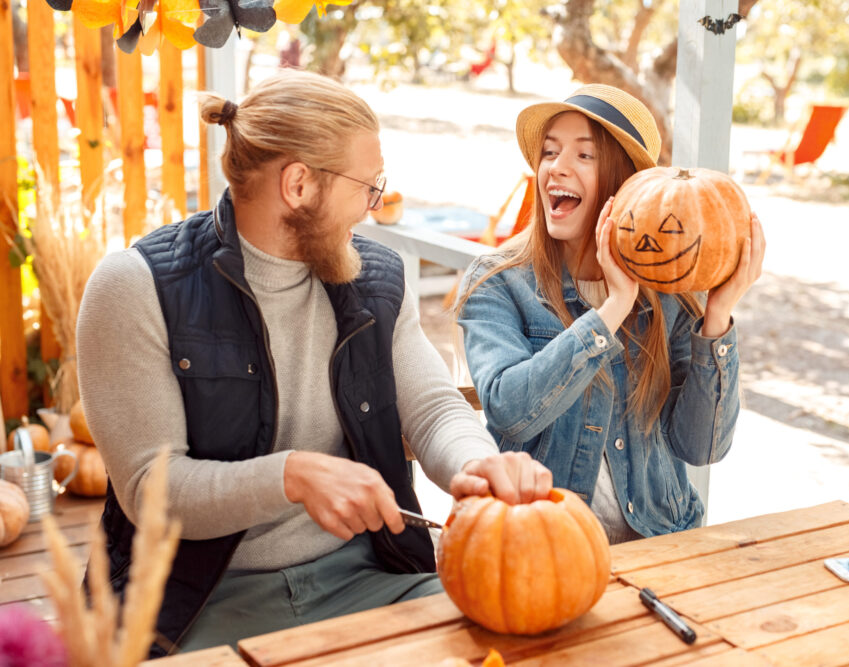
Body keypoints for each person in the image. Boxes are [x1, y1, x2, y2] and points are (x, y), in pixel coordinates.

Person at [76, 70, 552, 657]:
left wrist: (476, 466)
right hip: (194, 604)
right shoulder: (135, 287)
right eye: (367, 187)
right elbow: (154, 490)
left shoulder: (375, 276)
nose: (373, 209)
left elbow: (430, 407)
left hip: (369, 578)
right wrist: (291, 477)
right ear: (299, 184)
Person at [457, 84, 765, 544]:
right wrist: (613, 307)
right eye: (549, 152)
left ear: (626, 187)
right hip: (540, 548)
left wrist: (716, 316)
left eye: (584, 156)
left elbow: (702, 448)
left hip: (659, 541)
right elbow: (510, 411)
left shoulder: (668, 292)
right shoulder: (499, 281)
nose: (555, 168)